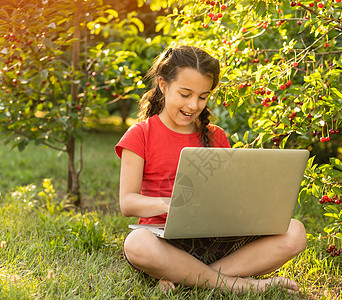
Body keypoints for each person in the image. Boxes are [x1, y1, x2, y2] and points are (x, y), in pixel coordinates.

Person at [115, 45, 307, 294]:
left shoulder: (217, 136)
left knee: (295, 231)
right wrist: (168, 204)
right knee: (137, 243)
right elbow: (127, 203)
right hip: (166, 241)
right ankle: (239, 285)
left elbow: (227, 194)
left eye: (203, 97)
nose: (194, 105)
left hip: (218, 240)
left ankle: (186, 277)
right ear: (163, 85)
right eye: (185, 94)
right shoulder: (140, 134)